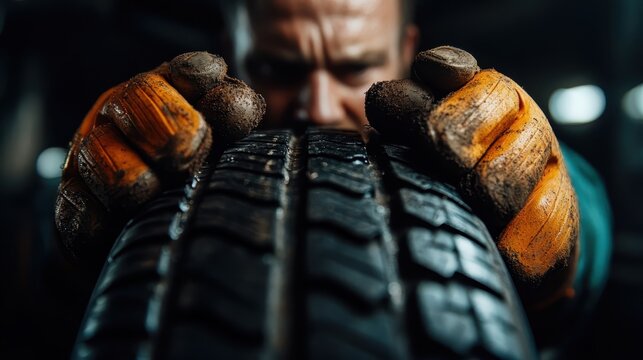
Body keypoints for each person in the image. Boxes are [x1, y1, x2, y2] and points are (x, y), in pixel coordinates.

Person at [54, 0, 611, 350]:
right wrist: (80, 202)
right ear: (231, 54)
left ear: (406, 50)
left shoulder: (444, 151)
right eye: (278, 69)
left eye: (355, 67)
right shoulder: (178, 155)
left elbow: (589, 196)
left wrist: (574, 227)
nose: (318, 107)